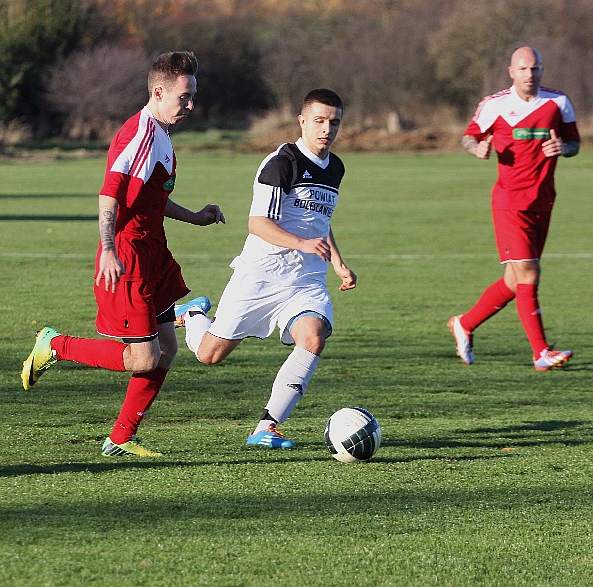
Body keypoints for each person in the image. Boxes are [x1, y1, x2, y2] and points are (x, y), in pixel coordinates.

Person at [21, 51, 225, 457]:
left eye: (193, 97)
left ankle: (120, 438)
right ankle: (55, 344)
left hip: (155, 253)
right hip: (128, 255)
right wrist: (110, 249)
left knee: (167, 349)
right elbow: (108, 194)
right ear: (159, 91)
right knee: (142, 358)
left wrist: (195, 217)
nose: (191, 106)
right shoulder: (138, 135)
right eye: (184, 97)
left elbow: (151, 200)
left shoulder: (161, 134)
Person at [176, 88, 356, 449]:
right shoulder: (281, 163)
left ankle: (267, 426)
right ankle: (193, 314)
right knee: (209, 355)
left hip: (306, 279)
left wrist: (336, 261)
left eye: (334, 122)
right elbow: (258, 223)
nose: (327, 129)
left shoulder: (335, 167)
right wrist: (304, 244)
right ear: (302, 121)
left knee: (313, 338)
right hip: (261, 275)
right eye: (319, 121)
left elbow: (320, 221)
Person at [447, 46, 581, 371]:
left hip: (543, 201)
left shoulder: (558, 102)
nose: (529, 74)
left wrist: (564, 147)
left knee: (513, 279)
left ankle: (463, 323)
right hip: (509, 202)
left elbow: (575, 143)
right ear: (511, 71)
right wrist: (477, 148)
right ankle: (541, 352)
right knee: (529, 273)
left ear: (541, 70)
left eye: (535, 69)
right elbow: (469, 136)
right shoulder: (495, 105)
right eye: (523, 69)